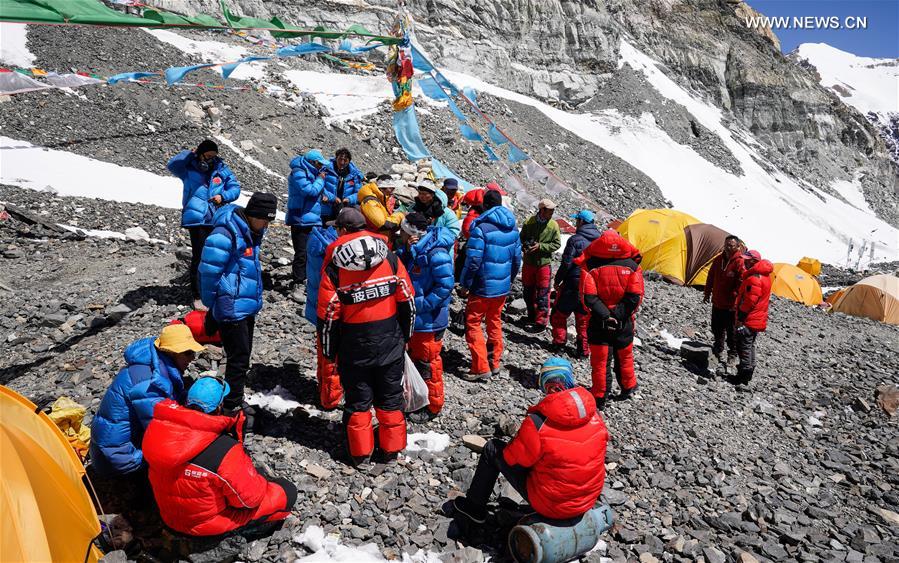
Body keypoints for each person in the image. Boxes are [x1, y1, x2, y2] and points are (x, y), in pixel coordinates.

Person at [450, 357, 609, 528]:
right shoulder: (594, 415)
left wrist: (520, 438)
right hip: (587, 499)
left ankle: (473, 508)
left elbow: (512, 459)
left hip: (552, 505)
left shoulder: (538, 422)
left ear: (545, 385)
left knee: (492, 449)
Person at [318, 208, 416, 465]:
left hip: (354, 346)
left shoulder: (335, 267)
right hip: (390, 341)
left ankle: (361, 454)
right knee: (390, 397)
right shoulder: (390, 258)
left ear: (342, 231)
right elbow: (407, 300)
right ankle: (391, 451)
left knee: (358, 401)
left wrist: (330, 352)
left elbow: (329, 316)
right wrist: (405, 337)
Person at [142, 376, 297, 537]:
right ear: (219, 407)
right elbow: (250, 501)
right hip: (205, 525)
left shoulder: (158, 433)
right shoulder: (222, 449)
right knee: (287, 491)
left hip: (170, 517)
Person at [199, 192, 277, 418]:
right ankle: (231, 405)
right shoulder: (226, 233)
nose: (266, 226)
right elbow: (208, 272)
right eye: (264, 220)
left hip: (244, 304)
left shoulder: (250, 231)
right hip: (231, 305)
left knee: (241, 355)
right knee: (239, 358)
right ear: (253, 214)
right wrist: (213, 306)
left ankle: (232, 398)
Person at [90, 324, 205, 476]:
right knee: (182, 455)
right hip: (119, 457)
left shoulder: (152, 364)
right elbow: (160, 430)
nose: (192, 358)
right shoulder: (149, 382)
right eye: (188, 353)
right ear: (171, 352)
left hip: (109, 447)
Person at [167, 140, 241, 310]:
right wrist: (189, 154)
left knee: (216, 254)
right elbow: (172, 165)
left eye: (213, 156)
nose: (210, 159)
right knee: (199, 257)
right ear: (200, 154)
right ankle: (198, 296)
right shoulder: (188, 168)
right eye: (207, 156)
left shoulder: (221, 169)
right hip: (197, 219)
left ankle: (216, 290)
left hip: (216, 218)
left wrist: (223, 196)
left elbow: (235, 188)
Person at [576, 229, 644, 409]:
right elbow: (635, 297)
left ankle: (600, 396)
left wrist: (606, 316)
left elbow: (588, 297)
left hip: (599, 321)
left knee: (600, 361)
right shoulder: (633, 267)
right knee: (625, 356)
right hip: (624, 321)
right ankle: (628, 387)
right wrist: (618, 315)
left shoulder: (590, 266)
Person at [397, 212, 455, 423]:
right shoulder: (418, 248)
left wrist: (419, 305)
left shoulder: (436, 253)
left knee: (428, 363)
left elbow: (445, 286)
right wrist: (407, 250)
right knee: (418, 360)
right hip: (419, 319)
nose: (400, 234)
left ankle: (433, 406)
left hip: (429, 321)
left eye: (402, 231)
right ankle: (418, 398)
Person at [458, 189, 521, 380]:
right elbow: (516, 259)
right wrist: (509, 280)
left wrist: (465, 283)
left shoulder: (481, 228)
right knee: (494, 321)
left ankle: (480, 367)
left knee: (473, 323)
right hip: (501, 288)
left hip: (482, 287)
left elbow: (473, 261)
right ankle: (494, 363)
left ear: (484, 205)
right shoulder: (512, 227)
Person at [550, 210, 601, 357]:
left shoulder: (575, 240)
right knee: (583, 318)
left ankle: (559, 344)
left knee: (559, 314)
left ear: (582, 222)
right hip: (591, 285)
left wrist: (557, 280)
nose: (575, 223)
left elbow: (567, 263)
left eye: (577, 220)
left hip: (572, 283)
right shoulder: (600, 241)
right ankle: (583, 350)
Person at [305, 223, 341, 410]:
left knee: (324, 353)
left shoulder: (316, 241)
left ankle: (323, 391)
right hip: (331, 312)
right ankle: (330, 399)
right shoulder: (333, 252)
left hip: (318, 308)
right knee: (332, 357)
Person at [287, 149, 329, 289]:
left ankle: (308, 278)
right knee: (302, 252)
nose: (320, 167)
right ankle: (298, 282)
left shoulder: (311, 172)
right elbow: (309, 191)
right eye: (319, 164)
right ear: (312, 162)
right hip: (300, 218)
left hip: (311, 218)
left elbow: (317, 191)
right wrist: (320, 179)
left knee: (312, 250)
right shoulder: (298, 172)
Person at [703, 235, 746, 372]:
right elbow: (711, 276)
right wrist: (707, 293)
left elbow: (742, 283)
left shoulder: (739, 262)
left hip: (731, 305)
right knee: (717, 327)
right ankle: (718, 348)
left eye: (731, 245)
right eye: (726, 245)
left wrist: (737, 301)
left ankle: (732, 354)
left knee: (731, 332)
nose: (728, 247)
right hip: (717, 301)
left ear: (737, 247)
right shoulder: (718, 259)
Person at [519, 199, 562, 332]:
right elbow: (521, 238)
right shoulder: (529, 222)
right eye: (550, 210)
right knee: (528, 291)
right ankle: (531, 316)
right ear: (542, 210)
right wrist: (525, 246)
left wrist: (541, 246)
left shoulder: (553, 225)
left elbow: (557, 244)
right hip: (529, 263)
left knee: (543, 294)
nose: (552, 213)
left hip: (544, 264)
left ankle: (541, 322)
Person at [732, 250, 773, 385]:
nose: (744, 262)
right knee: (750, 345)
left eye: (747, 260)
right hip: (756, 318)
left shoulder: (754, 278)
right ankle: (747, 372)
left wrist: (741, 318)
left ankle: (743, 377)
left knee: (744, 345)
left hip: (749, 319)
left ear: (753, 261)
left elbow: (750, 301)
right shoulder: (764, 276)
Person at [322, 148, 364, 223]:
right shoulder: (326, 169)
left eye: (345, 160)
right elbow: (320, 187)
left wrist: (349, 199)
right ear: (336, 158)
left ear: (349, 161)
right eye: (340, 159)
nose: (342, 162)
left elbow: (359, 193)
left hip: (345, 207)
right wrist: (333, 198)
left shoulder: (354, 174)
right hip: (327, 205)